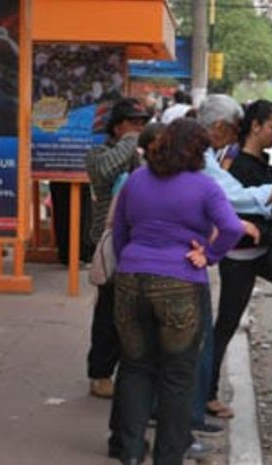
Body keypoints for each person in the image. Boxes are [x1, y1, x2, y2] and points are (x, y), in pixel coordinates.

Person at [112, 118, 244, 465]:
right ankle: (168, 457)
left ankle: (129, 452)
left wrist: (131, 260)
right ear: (199, 152)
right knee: (177, 374)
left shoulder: (137, 180)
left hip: (130, 278)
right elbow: (231, 227)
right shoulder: (204, 187)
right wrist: (210, 255)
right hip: (180, 283)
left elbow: (120, 231)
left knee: (135, 367)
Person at [190, 94, 272, 428]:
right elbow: (238, 204)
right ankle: (199, 401)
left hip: (253, 254)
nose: (235, 135)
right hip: (233, 257)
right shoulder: (221, 161)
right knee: (218, 329)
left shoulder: (215, 156)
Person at [85, 97, 150, 399]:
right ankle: (100, 373)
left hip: (140, 242)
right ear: (117, 126)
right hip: (110, 242)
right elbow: (106, 172)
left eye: (142, 123)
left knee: (135, 313)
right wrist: (131, 143)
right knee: (108, 312)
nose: (138, 129)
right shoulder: (100, 153)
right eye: (133, 122)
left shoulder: (144, 155)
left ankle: (131, 371)